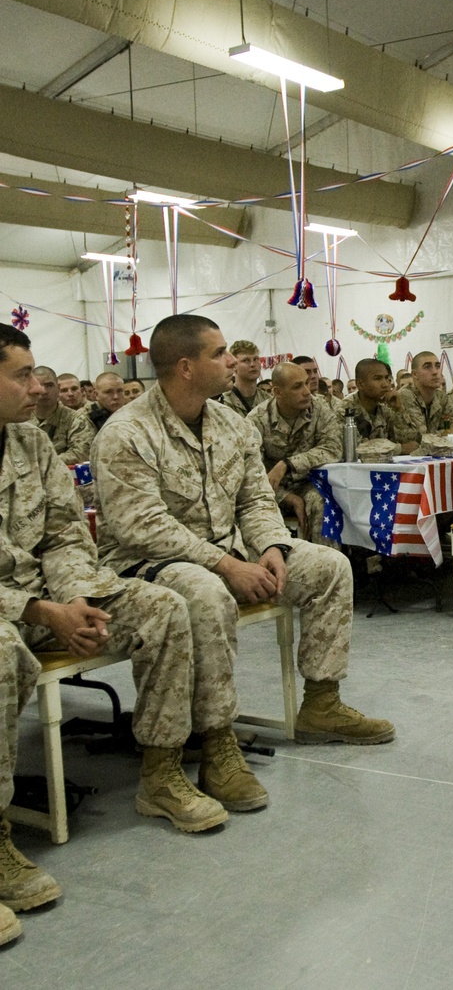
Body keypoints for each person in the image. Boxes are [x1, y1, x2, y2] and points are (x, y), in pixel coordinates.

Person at [0, 323, 237, 927]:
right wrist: (38, 610)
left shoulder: (29, 443)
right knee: (2, 652)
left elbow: (64, 533)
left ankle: (160, 772)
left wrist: (75, 597)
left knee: (161, 606)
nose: (38, 387)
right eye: (22, 375)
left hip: (52, 597)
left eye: (35, 373)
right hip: (16, 611)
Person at [92, 315, 394, 757]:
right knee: (206, 590)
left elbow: (254, 500)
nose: (232, 360)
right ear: (185, 367)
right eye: (219, 353)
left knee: (328, 566)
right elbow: (141, 526)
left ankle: (321, 704)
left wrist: (271, 546)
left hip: (229, 550)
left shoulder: (232, 425)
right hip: (148, 565)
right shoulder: (126, 432)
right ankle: (217, 740)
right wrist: (226, 565)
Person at [248, 361, 343, 542]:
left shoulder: (319, 408)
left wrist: (288, 464)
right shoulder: (257, 419)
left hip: (310, 484)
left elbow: (333, 449)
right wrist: (286, 498)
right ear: (277, 392)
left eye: (307, 383)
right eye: (297, 386)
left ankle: (325, 563)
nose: (307, 391)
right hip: (269, 490)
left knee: (321, 502)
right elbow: (251, 475)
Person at [31, 365, 96, 465]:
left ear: (58, 388)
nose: (44, 391)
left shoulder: (76, 420)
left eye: (49, 386)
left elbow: (80, 454)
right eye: (39, 386)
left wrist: (39, 464)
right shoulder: (17, 419)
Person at [394, 351, 453, 450]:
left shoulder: (441, 396)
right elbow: (421, 437)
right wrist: (444, 434)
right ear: (415, 374)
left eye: (437, 366)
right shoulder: (405, 395)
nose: (435, 372)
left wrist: (445, 434)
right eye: (427, 367)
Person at [343, 359, 402, 451]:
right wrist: (399, 449)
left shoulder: (385, 410)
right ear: (360, 384)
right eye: (377, 378)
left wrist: (399, 410)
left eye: (387, 378)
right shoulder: (344, 410)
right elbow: (356, 448)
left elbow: (410, 442)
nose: (385, 384)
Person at [219, 339, 264, 417]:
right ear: (234, 366)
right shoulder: (223, 402)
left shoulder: (269, 401)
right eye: (246, 360)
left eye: (256, 359)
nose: (253, 364)